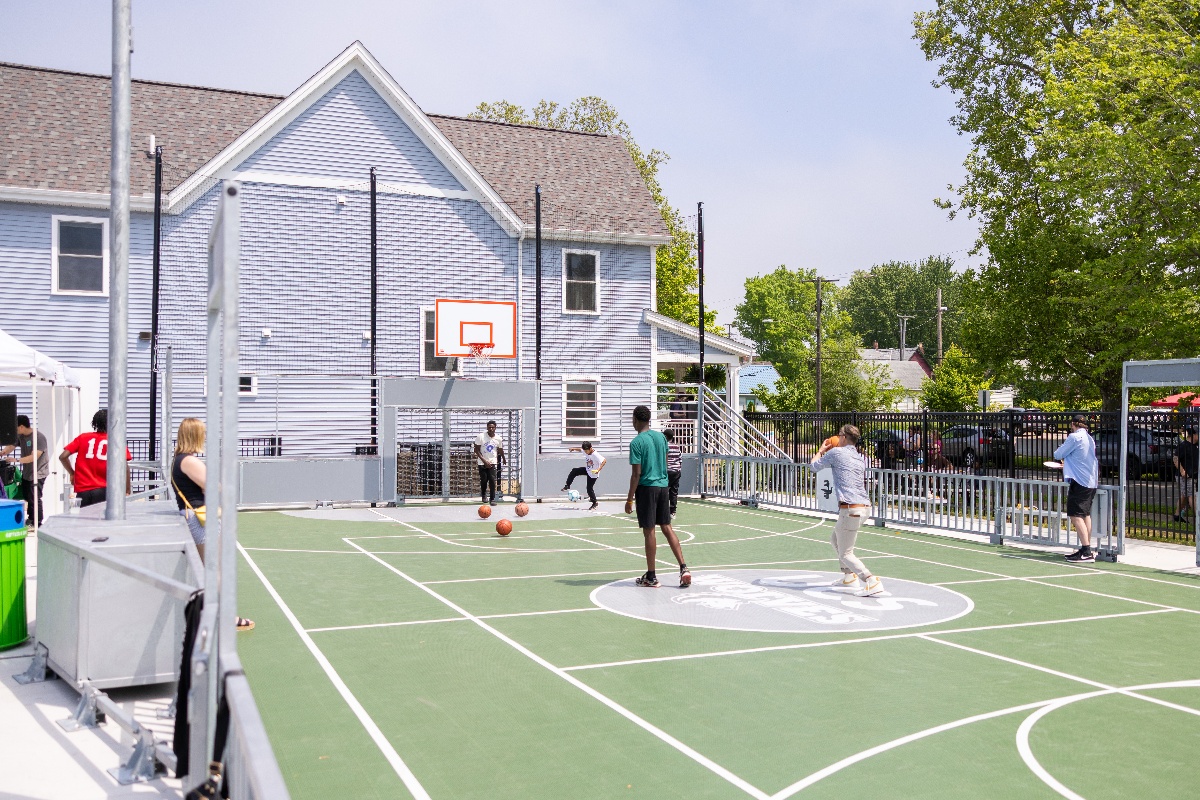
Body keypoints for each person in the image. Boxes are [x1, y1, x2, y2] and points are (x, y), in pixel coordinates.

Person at [171, 417, 254, 632]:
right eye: (202, 433)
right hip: (201, 520)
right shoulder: (188, 461)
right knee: (215, 569)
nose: (205, 437)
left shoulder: (178, 460)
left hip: (193, 517)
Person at [810, 424, 885, 596]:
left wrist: (821, 450)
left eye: (839, 434)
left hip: (851, 508)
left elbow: (814, 467)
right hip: (864, 507)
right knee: (835, 539)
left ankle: (870, 580)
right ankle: (849, 577)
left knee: (846, 553)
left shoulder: (836, 452)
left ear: (843, 437)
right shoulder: (859, 457)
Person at [625, 405, 690, 588]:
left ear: (635, 419)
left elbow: (636, 474)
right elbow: (664, 459)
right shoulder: (661, 437)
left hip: (647, 488)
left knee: (649, 531)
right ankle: (683, 567)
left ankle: (651, 576)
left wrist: (630, 499)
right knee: (667, 527)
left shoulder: (636, 443)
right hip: (663, 487)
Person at [60, 409, 131, 508]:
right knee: (103, 521)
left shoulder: (83, 437)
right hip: (105, 489)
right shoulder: (116, 441)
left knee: (85, 521)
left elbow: (63, 457)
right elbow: (125, 467)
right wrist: (127, 489)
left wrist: (72, 473)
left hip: (83, 490)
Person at [1054, 414, 1099, 563]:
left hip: (1080, 481)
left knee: (1075, 515)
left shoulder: (1074, 437)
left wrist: (1065, 461)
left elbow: (1058, 454)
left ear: (1073, 424)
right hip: (1091, 481)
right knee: (1085, 514)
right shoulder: (1090, 439)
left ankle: (1086, 551)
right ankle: (1086, 548)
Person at [2, 415, 49, 527]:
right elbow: (12, 446)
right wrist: (3, 452)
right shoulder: (21, 436)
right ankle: (31, 518)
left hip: (38, 472)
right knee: (27, 496)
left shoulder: (38, 437)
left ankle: (37, 522)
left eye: (17, 428)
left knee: (35, 497)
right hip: (27, 472)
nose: (16, 431)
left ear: (22, 427)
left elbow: (34, 457)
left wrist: (16, 459)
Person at [563, 441, 605, 511]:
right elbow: (580, 449)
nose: (585, 452)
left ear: (591, 448)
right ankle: (567, 485)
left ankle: (595, 503)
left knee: (589, 488)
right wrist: (573, 448)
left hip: (593, 473)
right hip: (588, 470)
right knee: (574, 471)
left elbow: (604, 461)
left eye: (586, 451)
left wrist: (598, 469)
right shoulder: (585, 450)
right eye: (584, 451)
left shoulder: (595, 454)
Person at [473, 420, 505, 506]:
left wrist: (504, 458)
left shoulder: (498, 438)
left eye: (492, 427)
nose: (491, 429)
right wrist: (484, 460)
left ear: (495, 428)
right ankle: (483, 495)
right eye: (489, 427)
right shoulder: (481, 437)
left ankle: (492, 499)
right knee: (484, 480)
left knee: (492, 480)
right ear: (487, 428)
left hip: (492, 462)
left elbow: (500, 450)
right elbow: (476, 450)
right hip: (482, 462)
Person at [1173, 427, 1198, 523]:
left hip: (1192, 476)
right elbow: (1175, 458)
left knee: (1184, 495)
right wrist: (1182, 471)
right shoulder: (1184, 446)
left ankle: (1177, 515)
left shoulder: (1195, 446)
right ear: (1194, 435)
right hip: (1185, 476)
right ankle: (1198, 518)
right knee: (1192, 496)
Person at [663, 428, 683, 518]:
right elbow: (680, 459)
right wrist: (678, 469)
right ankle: (673, 511)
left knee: (663, 491)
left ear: (665, 436)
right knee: (674, 491)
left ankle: (663, 510)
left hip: (666, 471)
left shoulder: (664, 446)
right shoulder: (677, 447)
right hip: (676, 471)